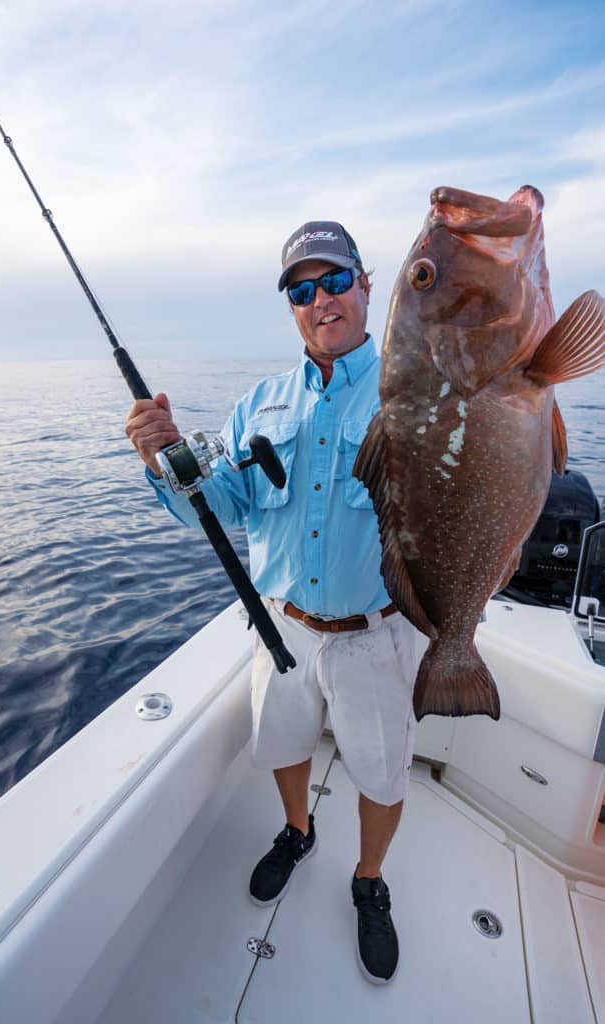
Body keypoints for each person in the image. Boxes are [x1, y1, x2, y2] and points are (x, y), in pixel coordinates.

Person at [125, 221, 418, 985]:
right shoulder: (259, 403)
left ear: (365, 284)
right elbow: (211, 507)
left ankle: (369, 879)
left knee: (383, 775)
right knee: (283, 745)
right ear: (292, 308)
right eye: (301, 290)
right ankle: (298, 830)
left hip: (376, 634)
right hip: (281, 628)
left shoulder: (413, 394)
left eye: (333, 281)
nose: (320, 299)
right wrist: (163, 464)